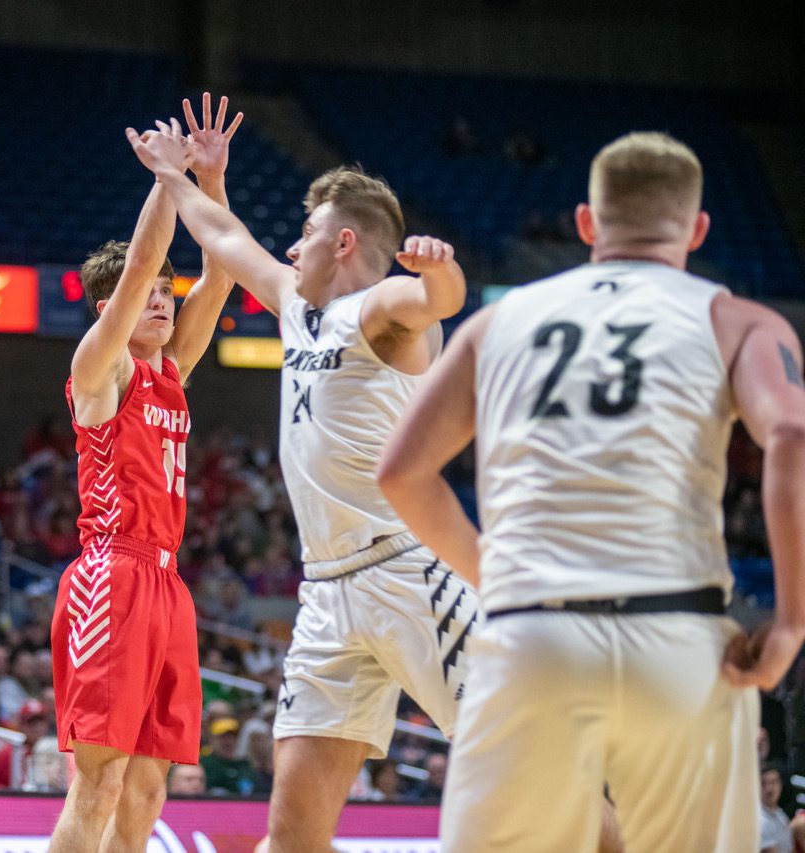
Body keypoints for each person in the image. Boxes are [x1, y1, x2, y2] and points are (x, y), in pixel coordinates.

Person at [377, 131, 802, 851]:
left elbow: (400, 472)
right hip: (679, 637)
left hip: (532, 636)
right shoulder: (738, 319)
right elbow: (791, 432)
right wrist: (791, 621)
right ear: (697, 230)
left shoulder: (498, 321)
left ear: (585, 223)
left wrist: (494, 574)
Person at [129, 116, 470, 853]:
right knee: (291, 836)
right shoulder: (296, 302)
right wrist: (183, 177)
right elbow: (225, 237)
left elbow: (437, 301)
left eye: (306, 231)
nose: (290, 246)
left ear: (343, 242)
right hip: (326, 592)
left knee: (537, 784)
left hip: (406, 573)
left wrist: (438, 269)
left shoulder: (379, 309)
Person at [48, 92, 241, 853]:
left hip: (167, 581)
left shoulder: (171, 371)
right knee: (100, 781)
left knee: (149, 788)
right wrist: (168, 179)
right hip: (112, 573)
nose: (161, 301)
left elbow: (219, 278)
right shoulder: (102, 367)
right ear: (109, 310)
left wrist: (211, 182)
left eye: (167, 293)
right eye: (149, 296)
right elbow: (134, 271)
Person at [762, 764, 793, 853]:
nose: (769, 789)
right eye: (763, 783)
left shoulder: (781, 816)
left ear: (780, 785)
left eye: (773, 782)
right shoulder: (758, 819)